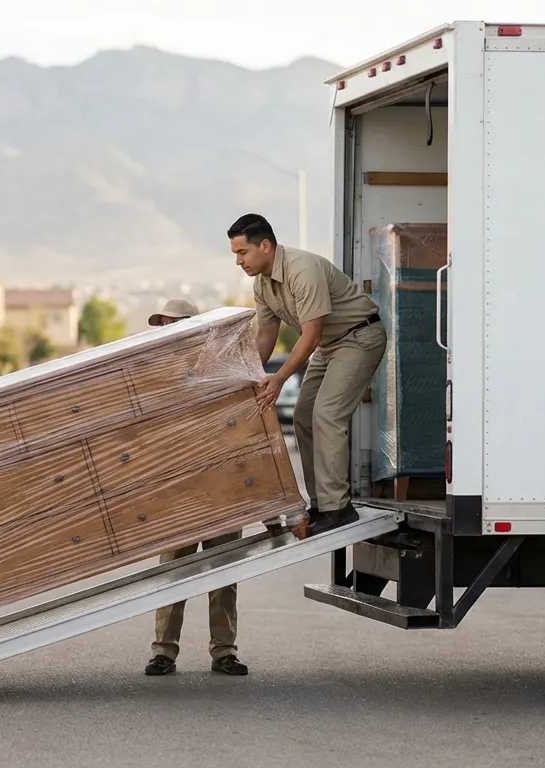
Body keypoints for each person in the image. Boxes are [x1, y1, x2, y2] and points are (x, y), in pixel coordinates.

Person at [227, 213, 387, 536]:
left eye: (242, 253)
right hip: (330, 346)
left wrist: (279, 379)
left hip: (359, 337)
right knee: (302, 415)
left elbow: (310, 335)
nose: (238, 262)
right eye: (235, 255)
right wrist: (248, 377)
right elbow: (266, 337)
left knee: (327, 414)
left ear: (266, 246)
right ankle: (320, 504)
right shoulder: (263, 284)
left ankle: (337, 507)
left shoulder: (303, 269)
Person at [142, 298, 249, 677]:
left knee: (222, 575)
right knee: (173, 573)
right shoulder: (158, 377)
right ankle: (163, 653)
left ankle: (224, 652)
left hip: (221, 490)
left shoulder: (216, 371)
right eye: (163, 326)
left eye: (172, 325)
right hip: (179, 492)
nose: (166, 332)